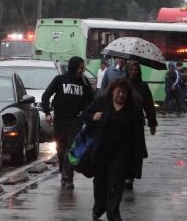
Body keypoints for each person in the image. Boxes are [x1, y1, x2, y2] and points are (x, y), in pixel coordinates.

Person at [83, 78, 145, 221]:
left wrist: (138, 155)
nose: (121, 95)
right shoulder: (101, 103)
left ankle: (113, 212)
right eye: (118, 91)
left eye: (124, 92)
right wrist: (93, 117)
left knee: (116, 184)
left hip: (122, 154)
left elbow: (138, 135)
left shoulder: (133, 110)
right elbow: (86, 115)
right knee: (100, 183)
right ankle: (98, 208)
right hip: (101, 152)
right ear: (112, 91)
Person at [42, 56, 94, 190]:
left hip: (76, 121)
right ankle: (64, 172)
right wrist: (47, 113)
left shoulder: (84, 83)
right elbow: (46, 95)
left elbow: (92, 102)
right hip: (60, 120)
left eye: (83, 68)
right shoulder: (60, 80)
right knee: (60, 149)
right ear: (74, 67)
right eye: (80, 68)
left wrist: (89, 116)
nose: (82, 70)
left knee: (71, 148)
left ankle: (68, 177)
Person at [125, 61, 157, 189]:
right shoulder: (122, 84)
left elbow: (149, 107)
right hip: (121, 123)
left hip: (137, 124)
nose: (133, 72)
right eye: (131, 69)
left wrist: (152, 123)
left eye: (136, 70)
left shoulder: (143, 87)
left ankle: (130, 176)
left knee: (135, 151)